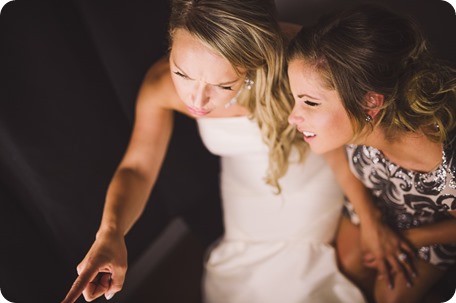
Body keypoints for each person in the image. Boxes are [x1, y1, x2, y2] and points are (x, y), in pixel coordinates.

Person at [61, 0, 365, 302]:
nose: (197, 99)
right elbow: (137, 169)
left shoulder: (301, 59)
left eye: (222, 85)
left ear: (252, 61)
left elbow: (347, 137)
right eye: (182, 73)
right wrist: (110, 233)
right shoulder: (161, 86)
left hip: (310, 185)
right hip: (243, 197)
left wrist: (367, 216)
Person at [287, 3, 456, 303]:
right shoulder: (348, 120)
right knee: (348, 267)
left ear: (371, 104)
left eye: (309, 103)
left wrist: (410, 239)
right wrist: (369, 219)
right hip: (373, 205)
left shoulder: (447, 161)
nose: (292, 117)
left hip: (434, 230)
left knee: (389, 296)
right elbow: (334, 155)